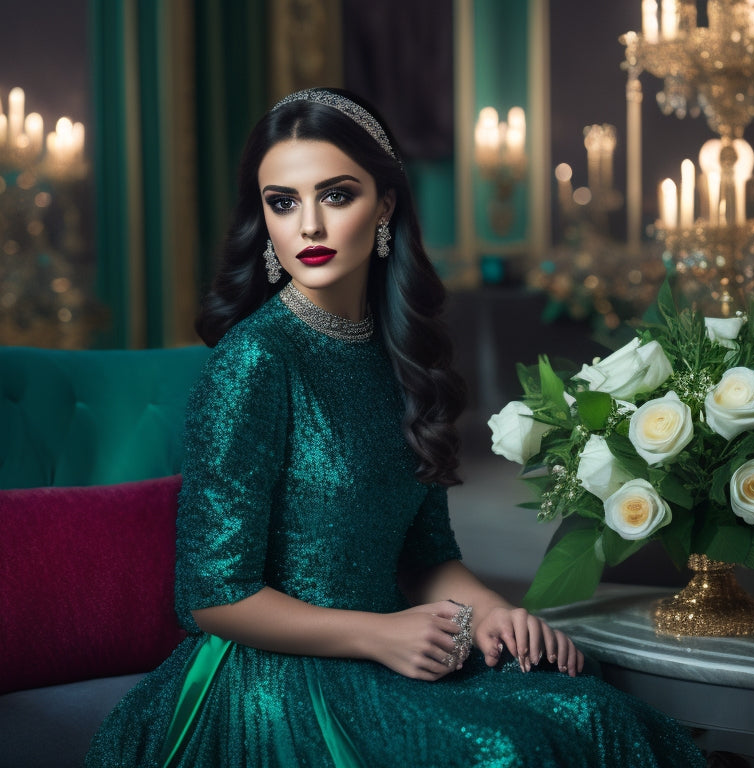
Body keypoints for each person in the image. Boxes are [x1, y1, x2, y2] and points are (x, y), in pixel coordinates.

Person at [85, 88, 704, 767]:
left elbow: (427, 554)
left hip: (400, 647)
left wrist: (494, 613)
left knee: (594, 711)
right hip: (280, 675)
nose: (309, 226)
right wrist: (379, 636)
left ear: (383, 206)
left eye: (336, 195)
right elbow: (213, 598)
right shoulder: (255, 361)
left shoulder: (399, 353)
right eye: (282, 202)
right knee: (511, 750)